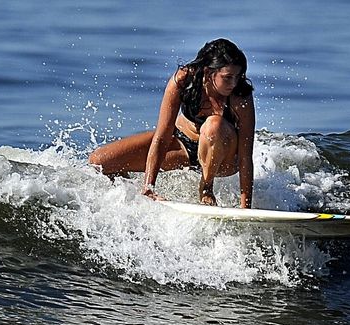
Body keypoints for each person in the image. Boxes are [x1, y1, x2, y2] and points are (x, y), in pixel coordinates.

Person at [88, 38, 256, 208]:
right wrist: (149, 187)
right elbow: (162, 136)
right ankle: (125, 198)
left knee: (213, 125)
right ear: (208, 72)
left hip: (223, 157)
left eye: (237, 76)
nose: (234, 83)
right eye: (227, 77)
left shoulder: (240, 96)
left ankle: (206, 188)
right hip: (183, 148)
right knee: (100, 161)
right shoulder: (184, 80)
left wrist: (245, 207)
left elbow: (245, 156)